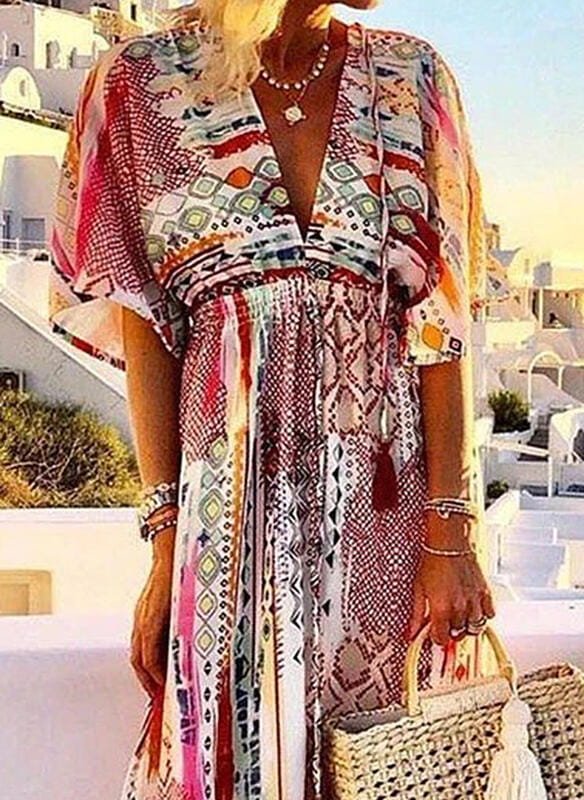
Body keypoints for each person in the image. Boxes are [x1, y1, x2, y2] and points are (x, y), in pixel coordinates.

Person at [49, 1, 496, 798]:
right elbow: (146, 324)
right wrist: (165, 546)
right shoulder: (136, 83)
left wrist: (451, 533)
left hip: (389, 516)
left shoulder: (411, 76)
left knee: (392, 768)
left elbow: (445, 319)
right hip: (227, 522)